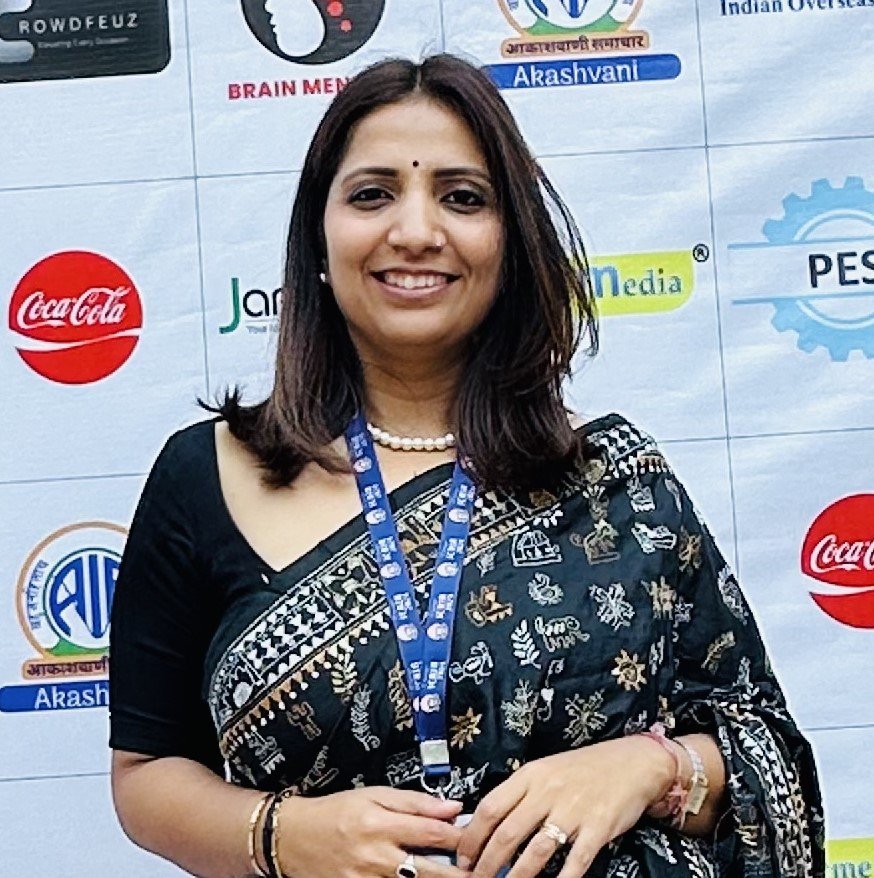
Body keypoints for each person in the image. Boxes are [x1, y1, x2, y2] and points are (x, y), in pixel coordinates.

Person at [108, 54, 824, 878]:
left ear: (511, 242)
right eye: (372, 194)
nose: (416, 231)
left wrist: (650, 768)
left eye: (462, 197)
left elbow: (769, 752)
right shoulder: (209, 474)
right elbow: (146, 774)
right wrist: (286, 835)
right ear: (318, 240)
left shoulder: (614, 482)